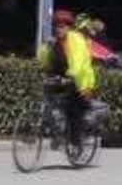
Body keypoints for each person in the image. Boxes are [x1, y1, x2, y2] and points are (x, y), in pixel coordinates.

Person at [39, 9, 97, 147]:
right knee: (49, 100)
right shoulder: (54, 42)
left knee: (72, 109)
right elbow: (45, 60)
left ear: (68, 27)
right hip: (61, 78)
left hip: (80, 81)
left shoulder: (76, 40)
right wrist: (45, 49)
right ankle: (57, 132)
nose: (58, 29)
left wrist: (71, 75)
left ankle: (76, 142)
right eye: (56, 26)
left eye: (62, 26)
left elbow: (77, 63)